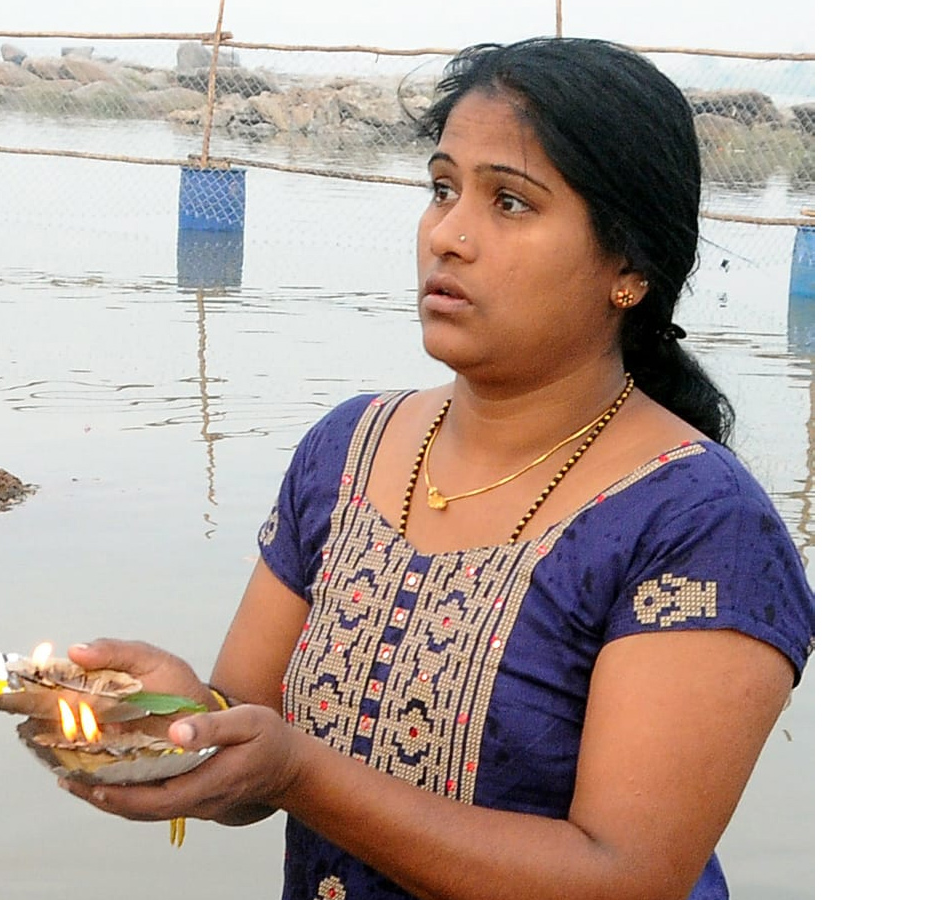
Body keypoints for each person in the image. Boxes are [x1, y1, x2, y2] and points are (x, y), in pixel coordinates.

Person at [59, 36, 815, 900]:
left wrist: (298, 774)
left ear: (630, 268)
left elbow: (627, 877)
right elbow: (247, 747)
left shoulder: (698, 524)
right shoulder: (346, 453)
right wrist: (175, 716)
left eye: (512, 204)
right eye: (443, 189)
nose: (449, 236)